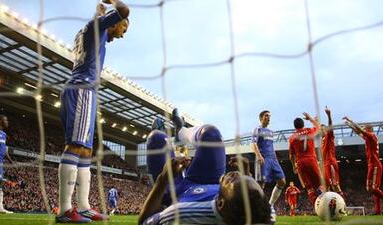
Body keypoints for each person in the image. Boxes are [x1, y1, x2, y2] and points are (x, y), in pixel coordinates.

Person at [57, 0, 129, 223]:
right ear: (114, 22)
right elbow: (124, 10)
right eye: (123, 28)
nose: (123, 34)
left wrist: (101, 11)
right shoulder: (96, 27)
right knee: (76, 146)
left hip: (84, 90)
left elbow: (100, 21)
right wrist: (114, 4)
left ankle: (84, 207)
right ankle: (65, 210)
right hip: (83, 89)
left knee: (86, 151)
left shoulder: (92, 29)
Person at [139, 109, 271, 225]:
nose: (236, 174)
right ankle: (180, 132)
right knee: (211, 133)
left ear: (220, 204)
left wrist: (163, 178)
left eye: (234, 181)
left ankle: (167, 135)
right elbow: (259, 205)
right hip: (210, 180)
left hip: (176, 194)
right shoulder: (263, 213)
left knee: (156, 137)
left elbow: (144, 222)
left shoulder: (183, 214)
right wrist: (247, 174)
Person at [343, 117, 383, 215]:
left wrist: (352, 121)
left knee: (372, 189)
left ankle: (378, 210)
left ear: (368, 130)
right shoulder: (368, 137)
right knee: (372, 189)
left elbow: (360, 130)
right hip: (372, 165)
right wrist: (349, 125)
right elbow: (358, 132)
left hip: (375, 165)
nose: (363, 130)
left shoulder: (372, 136)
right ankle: (377, 210)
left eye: (365, 128)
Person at [252, 110, 286, 219]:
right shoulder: (257, 129)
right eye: (266, 116)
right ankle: (256, 210)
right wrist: (259, 156)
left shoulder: (271, 132)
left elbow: (271, 146)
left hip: (273, 159)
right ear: (261, 117)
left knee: (282, 181)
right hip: (263, 158)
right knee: (261, 184)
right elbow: (253, 144)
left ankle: (270, 205)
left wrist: (275, 157)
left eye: (269, 116)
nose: (269, 117)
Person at [289, 112, 323, 205]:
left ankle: (317, 207)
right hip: (311, 160)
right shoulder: (309, 130)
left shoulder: (292, 137)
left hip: (300, 163)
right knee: (319, 184)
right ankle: (325, 203)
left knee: (309, 188)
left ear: (295, 127)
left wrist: (294, 166)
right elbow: (319, 128)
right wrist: (311, 119)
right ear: (303, 124)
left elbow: (291, 155)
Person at [321, 107, 343, 196]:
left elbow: (330, 125)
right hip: (325, 164)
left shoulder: (329, 136)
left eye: (322, 129)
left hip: (330, 163)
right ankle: (329, 207)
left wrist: (329, 115)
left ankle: (343, 207)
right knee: (326, 187)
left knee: (335, 185)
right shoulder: (322, 141)